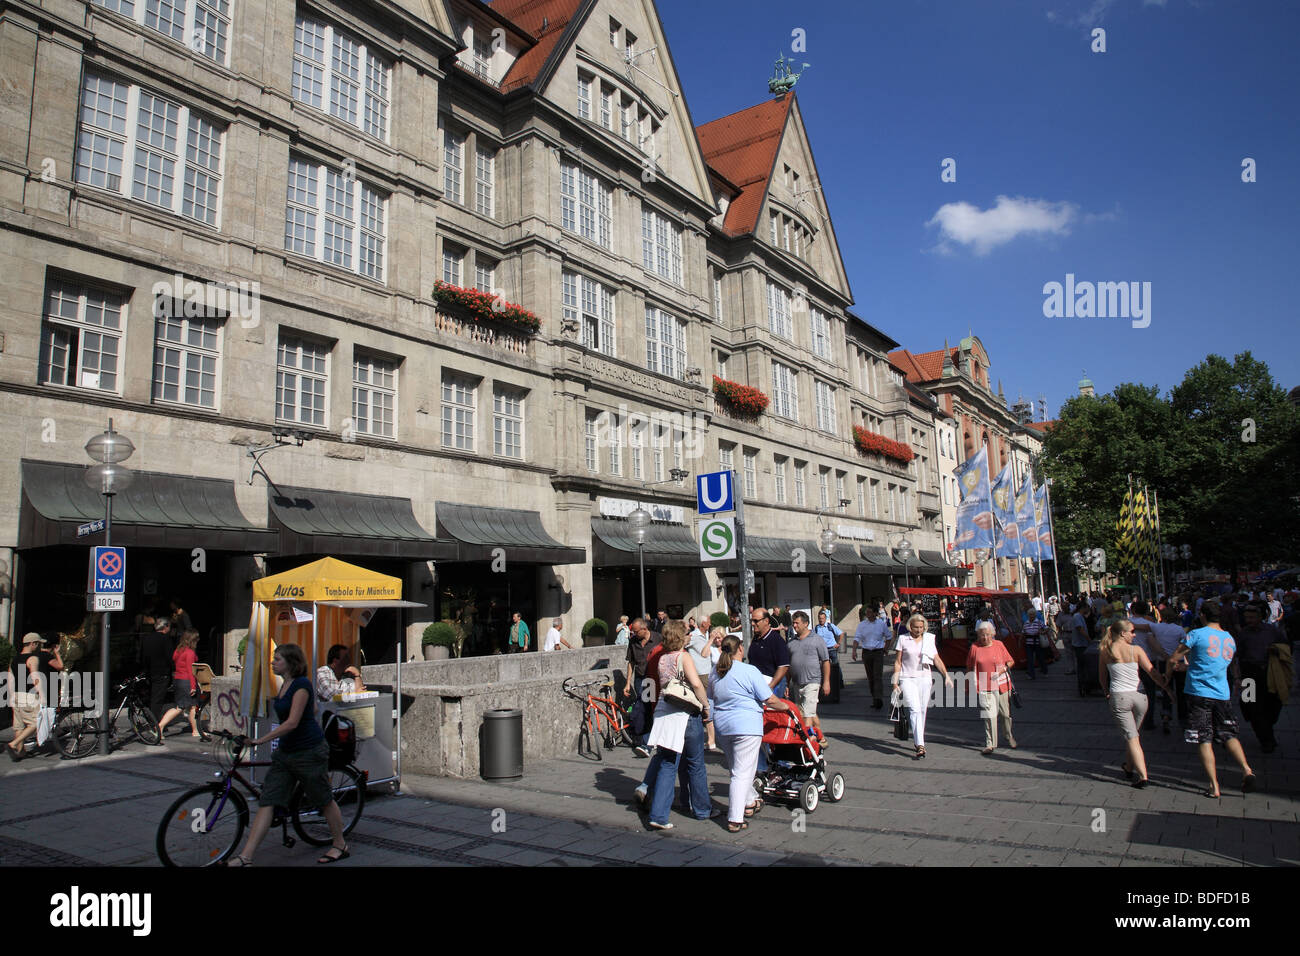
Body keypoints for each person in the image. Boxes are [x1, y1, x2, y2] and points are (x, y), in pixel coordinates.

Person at [225, 644, 349, 865]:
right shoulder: (285, 685)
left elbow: (292, 722)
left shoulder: (301, 685)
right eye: (274, 658)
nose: (273, 662)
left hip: (309, 752)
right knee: (268, 801)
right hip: (286, 752)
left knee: (324, 799)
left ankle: (340, 844)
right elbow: (310, 710)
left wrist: (258, 740)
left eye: (278, 659)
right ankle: (246, 857)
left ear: (291, 663)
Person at [1164, 603, 1257, 798]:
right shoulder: (1229, 639)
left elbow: (1174, 658)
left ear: (1203, 615)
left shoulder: (1196, 634)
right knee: (1228, 734)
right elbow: (1218, 665)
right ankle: (1246, 769)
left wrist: (1168, 676)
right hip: (1222, 693)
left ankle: (1214, 786)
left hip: (1198, 693)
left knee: (1203, 738)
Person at [708, 635, 791, 833]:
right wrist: (785, 708)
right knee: (743, 772)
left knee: (737, 768)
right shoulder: (749, 670)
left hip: (723, 726)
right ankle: (735, 818)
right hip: (746, 725)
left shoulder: (716, 672)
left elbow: (711, 698)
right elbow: (769, 699)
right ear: (740, 650)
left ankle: (751, 799)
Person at [644, 622, 713, 830]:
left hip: (666, 714)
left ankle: (658, 815)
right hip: (686, 714)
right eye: (686, 634)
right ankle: (701, 810)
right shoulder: (684, 657)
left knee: (667, 763)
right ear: (680, 637)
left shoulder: (663, 658)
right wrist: (706, 706)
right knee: (695, 763)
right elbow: (697, 684)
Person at [1099, 619, 1168, 787]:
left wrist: (1105, 691)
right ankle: (1129, 767)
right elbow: (1152, 672)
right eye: (1131, 631)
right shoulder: (1136, 650)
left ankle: (1143, 776)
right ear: (1123, 633)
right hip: (1140, 697)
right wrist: (1166, 687)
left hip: (1119, 697)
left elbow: (1102, 677)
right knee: (1133, 735)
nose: (1134, 634)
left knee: (1132, 737)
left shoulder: (1106, 650)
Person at [892, 614, 953, 759]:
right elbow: (898, 662)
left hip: (925, 678)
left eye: (921, 627)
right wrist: (895, 682)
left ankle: (919, 739)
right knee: (914, 709)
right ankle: (920, 744)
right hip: (907, 678)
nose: (918, 630)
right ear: (910, 627)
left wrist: (946, 675)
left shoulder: (928, 639)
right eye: (915, 627)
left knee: (922, 710)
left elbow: (936, 659)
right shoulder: (903, 639)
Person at [1234, 602, 1289, 753]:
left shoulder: (1272, 631)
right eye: (1246, 617)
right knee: (1250, 706)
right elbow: (1236, 656)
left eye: (1252, 617)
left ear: (1260, 617)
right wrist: (1238, 677)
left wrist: (1276, 651)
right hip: (1249, 674)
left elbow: (1286, 648)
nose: (1249, 620)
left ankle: (1266, 729)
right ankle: (1266, 739)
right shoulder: (1243, 634)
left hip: (1269, 674)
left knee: (1273, 704)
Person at [6, 633, 62, 761]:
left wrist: (11, 696)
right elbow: (35, 677)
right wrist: (42, 696)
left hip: (16, 695)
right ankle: (13, 744)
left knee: (19, 726)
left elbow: (10, 678)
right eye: (38, 643)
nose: (39, 646)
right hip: (29, 696)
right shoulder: (33, 659)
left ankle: (20, 752)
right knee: (36, 724)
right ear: (33, 644)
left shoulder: (15, 659)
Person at [966, 621, 1015, 755]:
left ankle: (1008, 734)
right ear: (978, 635)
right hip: (984, 685)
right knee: (989, 716)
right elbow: (969, 667)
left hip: (1001, 684)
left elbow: (1010, 661)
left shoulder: (999, 645)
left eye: (988, 635)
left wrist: (1004, 668)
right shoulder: (975, 648)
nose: (985, 638)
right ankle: (990, 743)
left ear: (992, 634)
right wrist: (968, 684)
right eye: (982, 635)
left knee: (1005, 714)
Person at [787, 611, 831, 744]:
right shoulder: (791, 643)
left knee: (806, 714)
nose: (794, 626)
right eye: (793, 623)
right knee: (807, 711)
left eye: (797, 623)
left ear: (806, 624)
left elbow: (825, 661)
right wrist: (786, 683)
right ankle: (821, 737)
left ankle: (807, 742)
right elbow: (788, 665)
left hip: (812, 681)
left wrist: (826, 682)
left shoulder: (816, 639)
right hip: (797, 682)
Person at [158, 630, 206, 740]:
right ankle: (194, 730)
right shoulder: (190, 653)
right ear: (193, 640)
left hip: (178, 680)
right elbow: (191, 671)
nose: (198, 641)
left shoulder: (178, 650)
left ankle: (194, 730)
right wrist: (193, 686)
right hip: (187, 681)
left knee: (180, 706)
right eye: (196, 639)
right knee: (188, 707)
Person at [624, 618, 659, 757]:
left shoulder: (657, 638)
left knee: (655, 708)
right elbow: (631, 663)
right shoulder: (633, 641)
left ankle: (652, 739)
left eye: (636, 631)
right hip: (641, 679)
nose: (634, 633)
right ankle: (646, 740)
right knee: (644, 708)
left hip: (655, 678)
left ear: (645, 629)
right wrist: (628, 683)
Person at [852, 604, 892, 709]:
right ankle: (874, 697)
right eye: (867, 612)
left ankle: (878, 699)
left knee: (877, 676)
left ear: (875, 613)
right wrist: (854, 650)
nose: (868, 614)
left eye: (870, 612)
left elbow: (889, 636)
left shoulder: (881, 624)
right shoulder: (862, 625)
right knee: (870, 677)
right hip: (866, 652)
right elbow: (857, 638)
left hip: (878, 652)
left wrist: (886, 648)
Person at [685, 622, 718, 751]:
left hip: (709, 674)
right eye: (709, 621)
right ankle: (710, 739)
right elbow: (703, 653)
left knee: (708, 705)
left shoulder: (708, 638)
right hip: (701, 674)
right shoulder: (695, 636)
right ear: (704, 624)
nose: (710, 624)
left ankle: (712, 739)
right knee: (705, 706)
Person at [141, 617, 175, 720]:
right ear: (165, 627)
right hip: (162, 672)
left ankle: (151, 717)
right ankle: (154, 722)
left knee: (152, 696)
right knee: (158, 698)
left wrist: (145, 670)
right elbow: (170, 657)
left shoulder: (147, 638)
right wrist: (173, 669)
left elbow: (143, 656)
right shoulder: (165, 639)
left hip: (150, 672)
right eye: (169, 626)